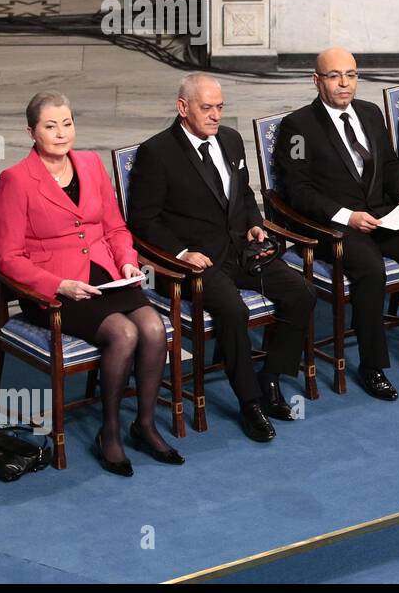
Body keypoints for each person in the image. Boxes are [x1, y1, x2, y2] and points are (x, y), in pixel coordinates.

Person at [0, 92, 181, 476]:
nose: (61, 133)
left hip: (106, 275)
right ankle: (108, 432)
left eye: (67, 123)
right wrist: (58, 284)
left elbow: (114, 227)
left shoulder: (92, 164)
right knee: (125, 333)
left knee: (154, 328)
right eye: (50, 126)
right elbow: (8, 258)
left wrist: (128, 263)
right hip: (55, 289)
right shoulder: (16, 180)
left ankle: (143, 425)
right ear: (31, 131)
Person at [127, 74, 315, 444]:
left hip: (240, 250)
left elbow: (242, 194)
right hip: (193, 263)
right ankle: (250, 403)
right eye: (206, 107)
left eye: (220, 107)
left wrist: (255, 225)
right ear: (183, 108)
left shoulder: (229, 139)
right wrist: (182, 254)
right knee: (234, 312)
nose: (215, 115)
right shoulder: (157, 153)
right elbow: (142, 222)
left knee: (301, 293)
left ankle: (271, 377)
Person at [275, 47, 399, 396]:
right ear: (317, 81)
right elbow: (297, 192)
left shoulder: (371, 113)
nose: (344, 83)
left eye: (351, 75)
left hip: (382, 216)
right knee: (371, 271)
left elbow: (390, 164)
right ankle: (373, 366)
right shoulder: (297, 126)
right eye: (334, 76)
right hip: (336, 227)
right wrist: (348, 217)